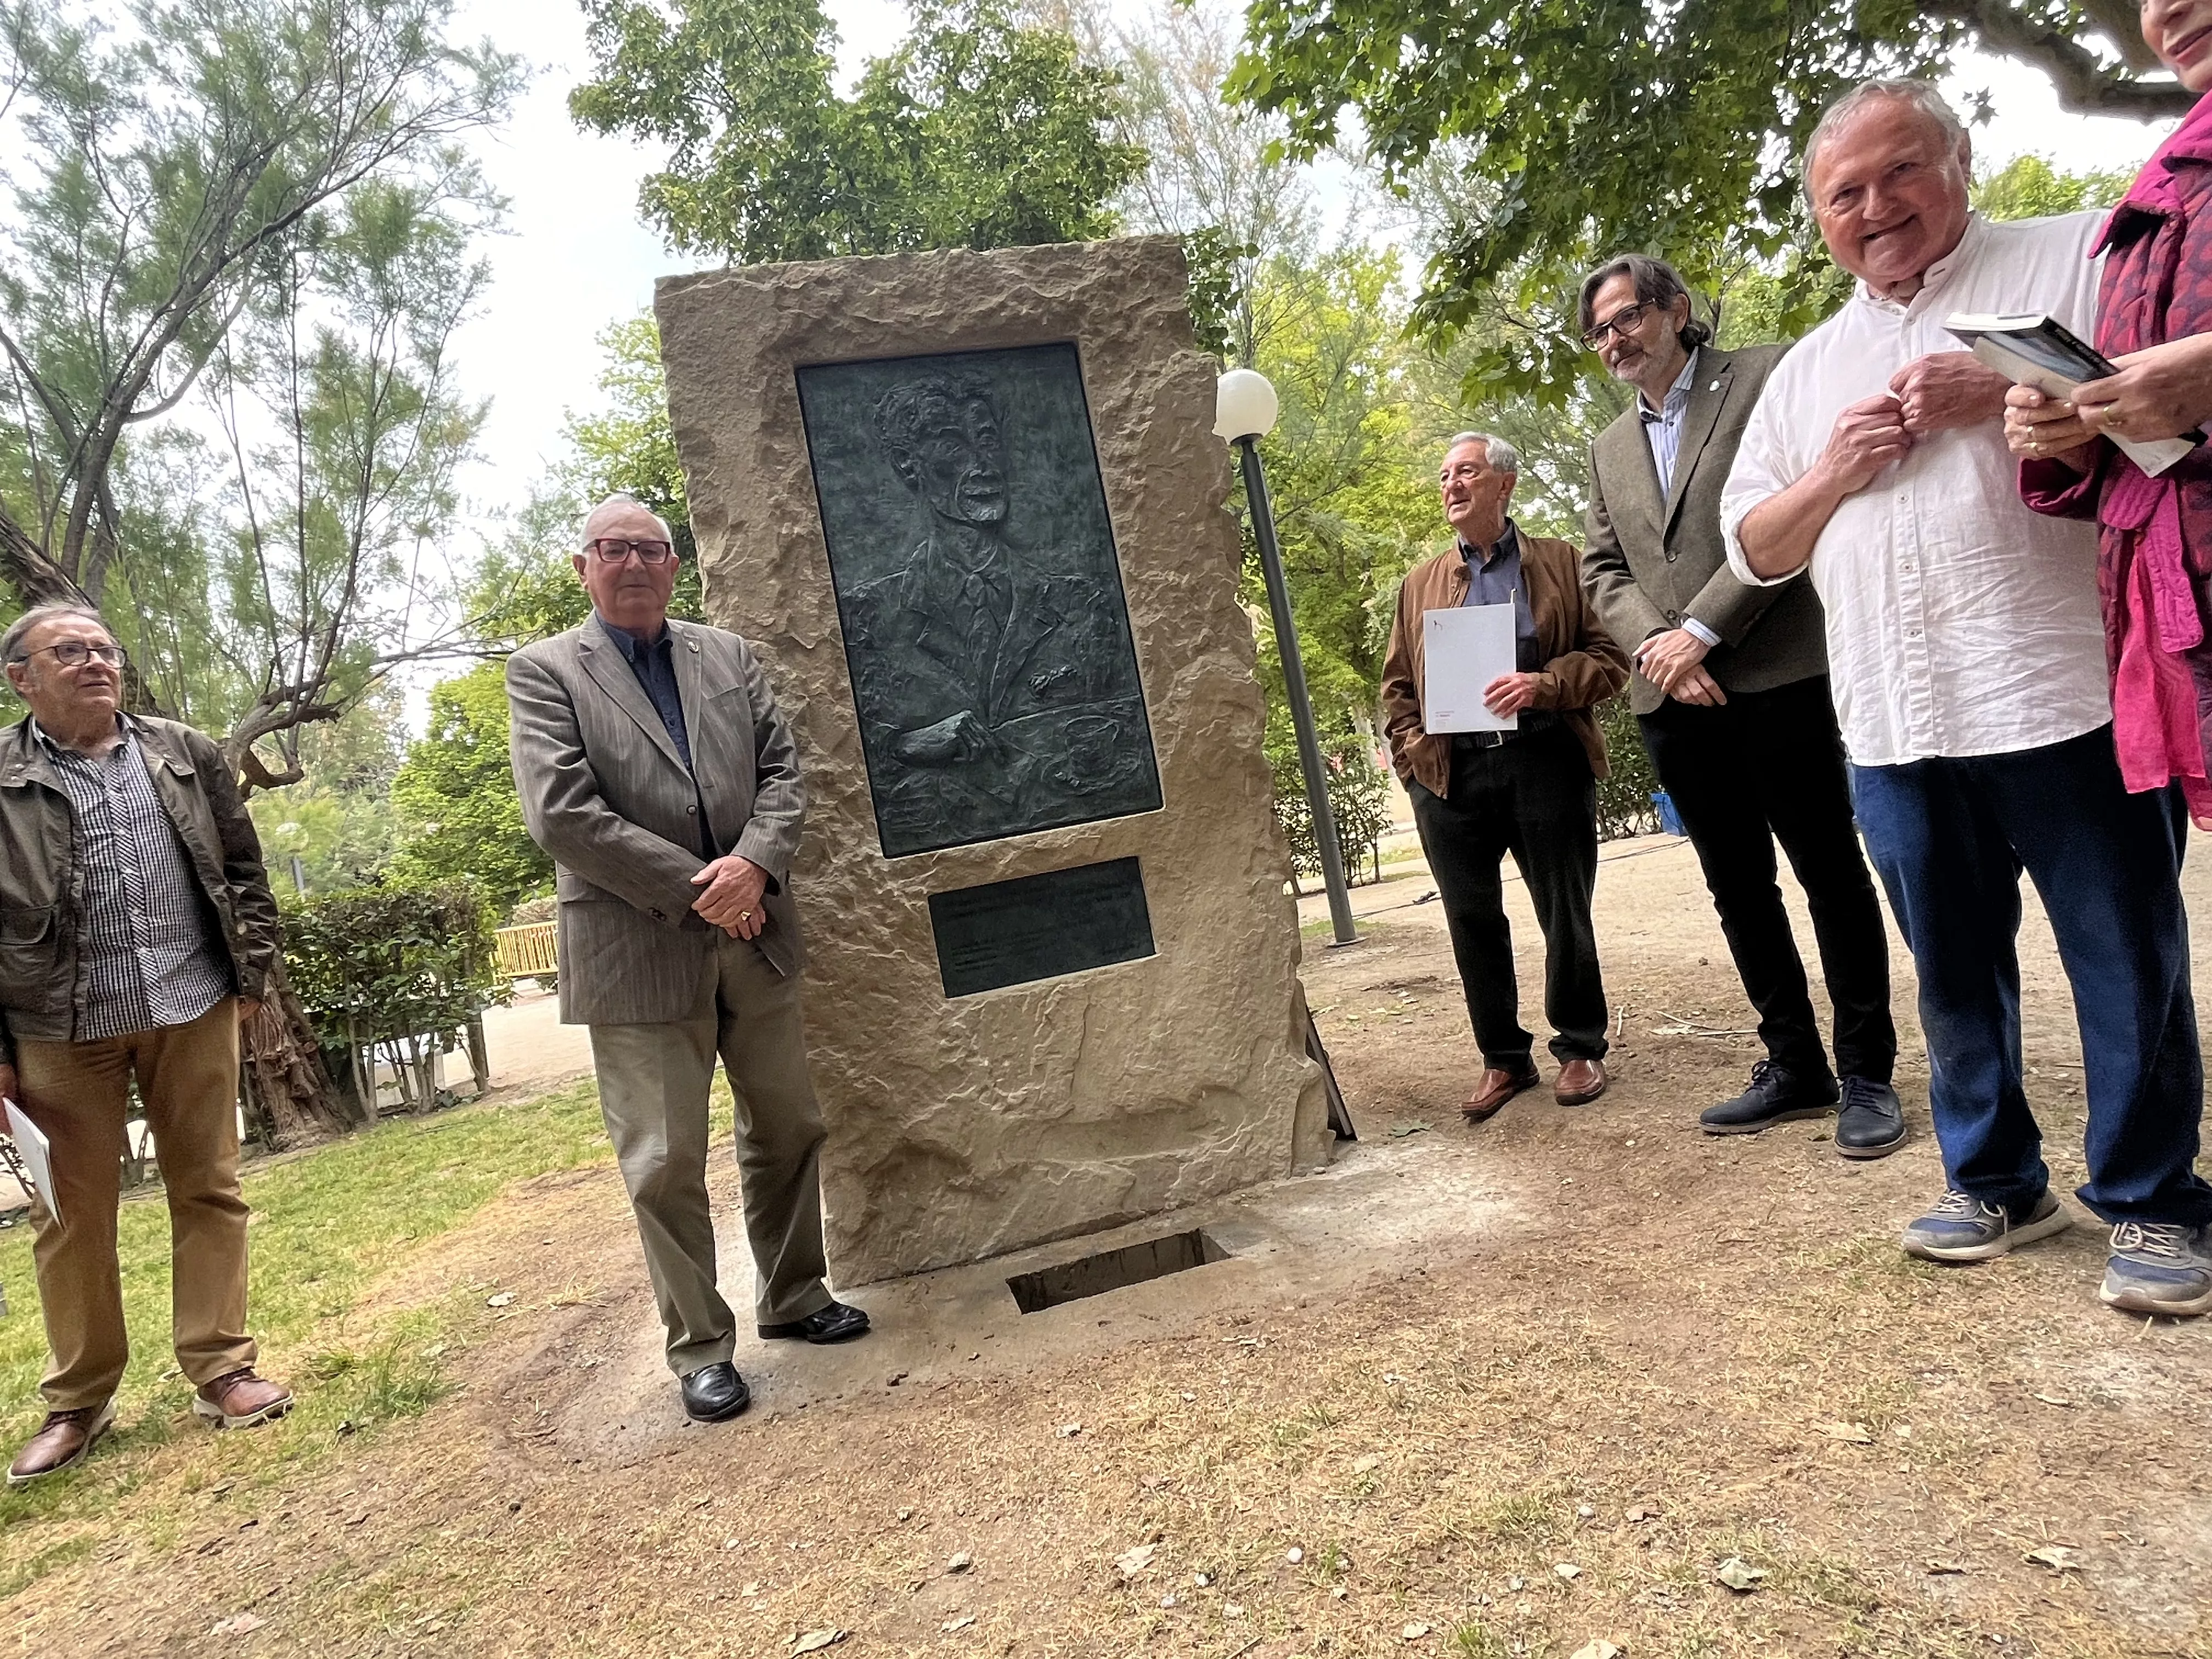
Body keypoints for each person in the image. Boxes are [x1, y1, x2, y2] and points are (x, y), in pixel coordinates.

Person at [1722, 78, 2212, 1318]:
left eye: (1903, 172)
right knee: (1949, 963)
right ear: (1820, 218)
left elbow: (2171, 432)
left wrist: (1995, 399)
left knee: (2125, 954)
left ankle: (2155, 1199)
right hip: (1892, 719)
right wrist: (1833, 471)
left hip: (2062, 690)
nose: (1877, 207)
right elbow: (1755, 550)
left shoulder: (2079, 257)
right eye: (1846, 193)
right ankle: (1994, 1175)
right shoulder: (1808, 372)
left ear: (1961, 158)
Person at [506, 495, 869, 1425]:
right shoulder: (545, 671)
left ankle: (794, 1293)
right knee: (664, 1159)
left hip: (758, 935)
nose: (633, 562)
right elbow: (562, 812)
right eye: (612, 548)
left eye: (650, 549)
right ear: (582, 565)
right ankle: (701, 1345)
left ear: (674, 566)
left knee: (788, 1126)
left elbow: (786, 772)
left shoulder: (728, 655)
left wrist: (754, 866)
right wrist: (708, 886)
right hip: (637, 949)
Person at [1579, 255, 1903, 1154]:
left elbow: (1800, 508)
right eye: (1598, 330)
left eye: (1625, 317)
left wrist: (1704, 631)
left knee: (1829, 875)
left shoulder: (1766, 376)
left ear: (1676, 309)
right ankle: (1794, 1063)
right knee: (1738, 889)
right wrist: (1660, 645)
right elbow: (1600, 567)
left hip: (1777, 674)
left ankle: (1867, 1071)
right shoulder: (1606, 448)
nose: (1614, 340)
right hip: (1671, 699)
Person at [0, 605, 292, 1486]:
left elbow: (243, 868)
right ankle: (79, 1400)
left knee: (208, 1185)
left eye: (103, 650)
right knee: (70, 1213)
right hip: (57, 1024)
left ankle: (223, 1368)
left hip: (191, 1000)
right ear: (23, 677)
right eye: (70, 652)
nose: (95, 663)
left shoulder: (184, 752)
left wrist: (250, 979)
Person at [1380, 433, 1630, 1121]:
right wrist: (1414, 768)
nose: (1452, 486)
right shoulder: (1420, 583)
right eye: (1444, 476)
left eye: (1467, 471)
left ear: (1504, 483)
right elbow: (1398, 687)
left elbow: (1611, 657)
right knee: (1471, 922)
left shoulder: (1560, 564)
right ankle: (1503, 1059)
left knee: (1565, 911)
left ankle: (1580, 1046)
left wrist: (1544, 684)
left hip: (1544, 757)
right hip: (1450, 777)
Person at [2006, 0, 2212, 837]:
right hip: (2176, 603)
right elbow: (2163, 436)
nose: (2163, 9)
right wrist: (2075, 431)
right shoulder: (2169, 177)